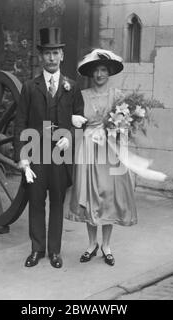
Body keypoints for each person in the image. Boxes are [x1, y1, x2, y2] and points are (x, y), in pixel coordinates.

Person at [14, 27, 84, 268]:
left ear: (62, 56)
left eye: (55, 53)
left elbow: (80, 120)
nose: (52, 58)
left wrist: (72, 137)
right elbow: (20, 123)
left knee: (56, 202)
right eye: (47, 53)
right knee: (35, 202)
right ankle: (37, 250)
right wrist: (23, 158)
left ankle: (54, 251)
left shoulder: (72, 87)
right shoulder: (29, 87)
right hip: (35, 154)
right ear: (41, 57)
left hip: (60, 157)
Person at [67, 49, 137, 266]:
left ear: (109, 72)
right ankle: (91, 244)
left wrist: (112, 131)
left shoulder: (118, 96)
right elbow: (74, 119)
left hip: (109, 151)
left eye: (103, 69)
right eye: (96, 70)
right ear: (91, 73)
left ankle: (106, 245)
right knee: (90, 197)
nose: (99, 74)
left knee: (107, 196)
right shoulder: (83, 95)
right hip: (88, 148)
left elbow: (127, 124)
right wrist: (76, 121)